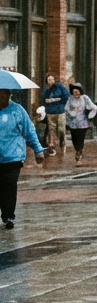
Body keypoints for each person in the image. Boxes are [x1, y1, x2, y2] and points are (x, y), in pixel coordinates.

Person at [0, 88, 43, 228]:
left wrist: (38, 150)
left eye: (3, 95)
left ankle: (8, 215)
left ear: (8, 95)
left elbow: (29, 131)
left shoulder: (17, 110)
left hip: (13, 156)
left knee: (9, 184)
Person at [62, 84, 97, 166]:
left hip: (83, 123)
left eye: (77, 92)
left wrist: (89, 109)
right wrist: (71, 112)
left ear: (80, 91)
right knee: (74, 139)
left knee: (80, 139)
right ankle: (77, 150)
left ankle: (79, 155)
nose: (76, 94)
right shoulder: (70, 98)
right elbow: (66, 108)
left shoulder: (85, 98)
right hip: (73, 123)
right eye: (74, 92)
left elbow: (94, 107)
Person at [40, 74, 68, 158]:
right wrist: (46, 102)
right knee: (51, 129)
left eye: (52, 79)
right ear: (47, 81)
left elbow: (66, 97)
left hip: (60, 111)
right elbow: (43, 99)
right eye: (49, 79)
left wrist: (57, 100)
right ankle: (52, 145)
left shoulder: (60, 87)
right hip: (50, 112)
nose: (51, 81)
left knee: (61, 129)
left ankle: (62, 141)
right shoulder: (46, 90)